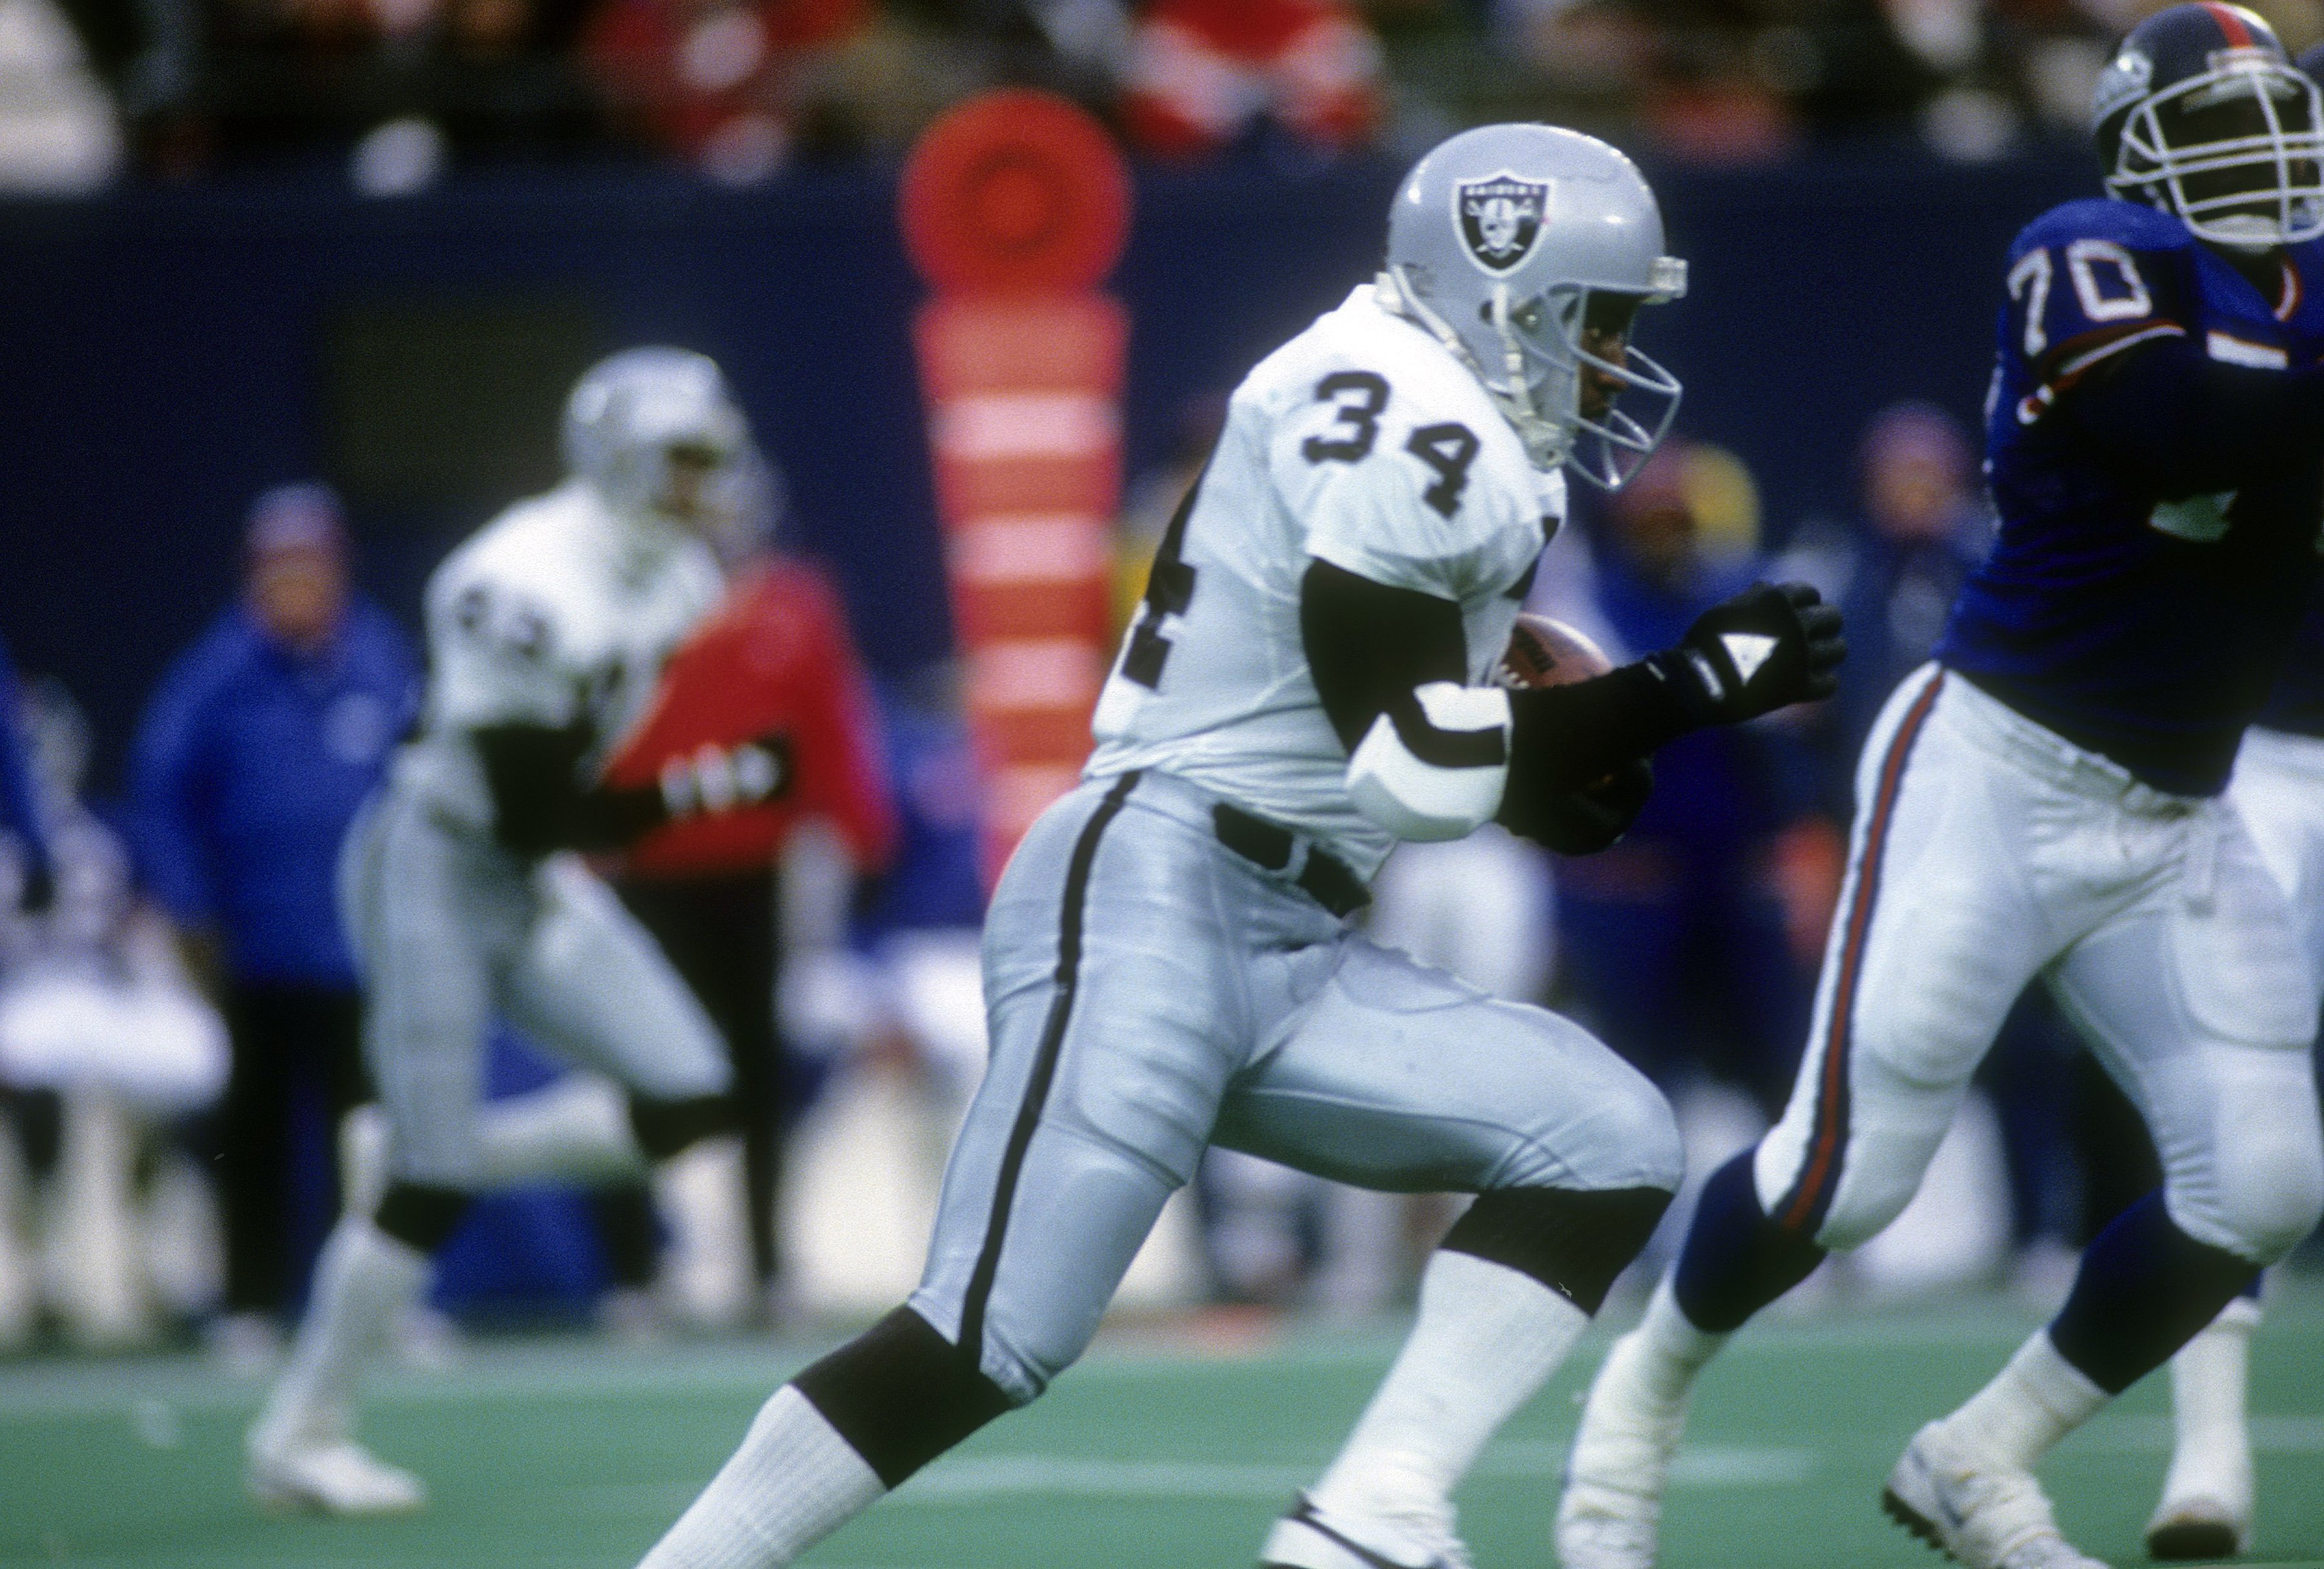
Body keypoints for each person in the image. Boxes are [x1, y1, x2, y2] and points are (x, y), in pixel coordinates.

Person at [629, 121, 1842, 1569]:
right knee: (987, 1336)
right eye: (1600, 320)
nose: (1612, 362)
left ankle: (1371, 1516)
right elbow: (1419, 765)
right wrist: (1688, 688)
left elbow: (1484, 772)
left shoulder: (1420, 398)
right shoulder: (1415, 414)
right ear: (1503, 290)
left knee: (1605, 1139)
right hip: (1156, 887)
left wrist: (1609, 736)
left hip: (1295, 929)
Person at [1558, 10, 2324, 1569]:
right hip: (1998, 764)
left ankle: (1983, 1456)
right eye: (2216, 125)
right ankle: (1621, 1439)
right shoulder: (2086, 245)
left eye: (2273, 120)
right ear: (2138, 144)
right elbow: (2180, 417)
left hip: (2178, 810)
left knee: (2261, 1185)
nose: (2256, 156)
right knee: (1847, 1177)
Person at [245, 347, 788, 1515]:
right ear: (615, 457)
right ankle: (302, 1429)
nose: (706, 484)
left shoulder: (681, 574)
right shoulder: (519, 580)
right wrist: (716, 786)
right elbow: (542, 802)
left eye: (710, 458)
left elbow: (565, 806)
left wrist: (697, 785)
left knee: (692, 1096)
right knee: (426, 1190)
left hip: (531, 869)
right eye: (682, 460)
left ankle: (426, 1153)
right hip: (437, 860)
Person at [130, 484, 419, 1365]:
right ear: (255, 578)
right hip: (254, 947)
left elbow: (424, 782)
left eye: (314, 568)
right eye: (282, 570)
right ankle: (249, 1303)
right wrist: (189, 905)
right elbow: (161, 794)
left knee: (375, 1136)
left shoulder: (379, 657)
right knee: (251, 1136)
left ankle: (376, 1310)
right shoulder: (215, 675)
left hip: (364, 948)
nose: (299, 586)